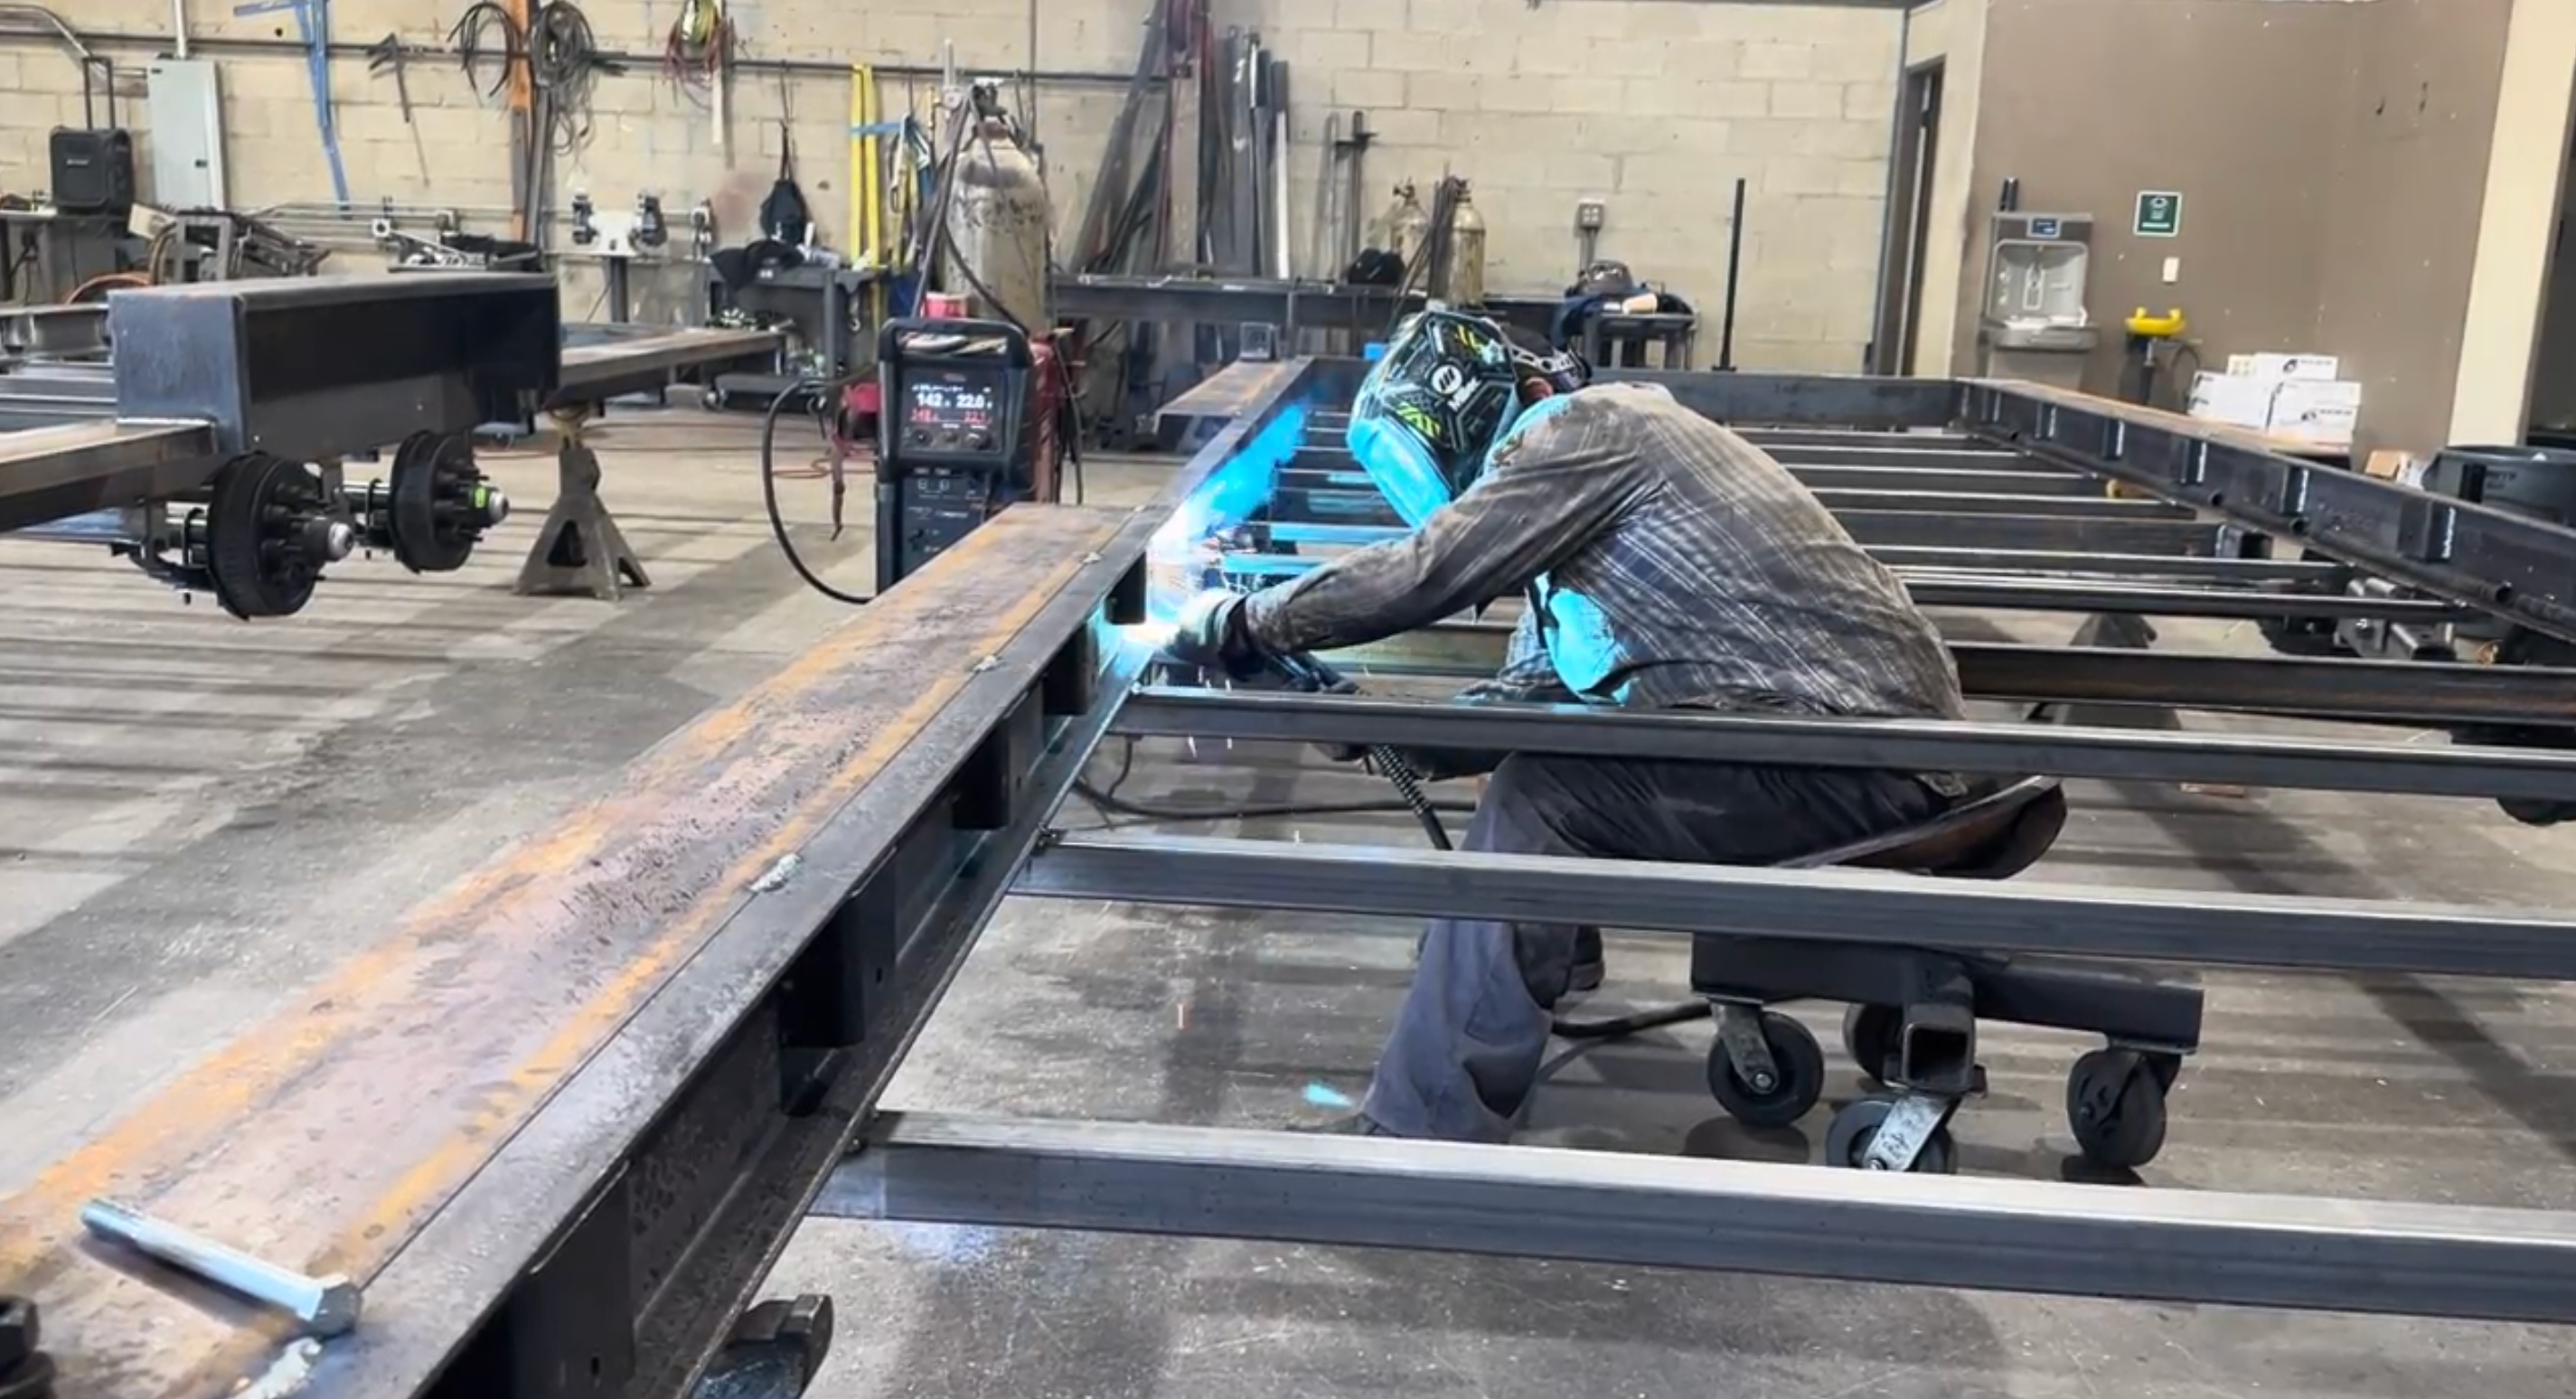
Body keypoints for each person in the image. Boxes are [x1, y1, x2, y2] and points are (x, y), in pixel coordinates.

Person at [1167, 309, 1970, 1144]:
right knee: (1556, 752)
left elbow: (1425, 572)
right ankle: (1550, 967)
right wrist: (1366, 722)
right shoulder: (1588, 518)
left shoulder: (1590, 428)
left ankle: (1423, 1130)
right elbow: (1524, 702)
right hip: (1858, 752)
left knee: (1541, 797)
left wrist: (1248, 619)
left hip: (1852, 757)